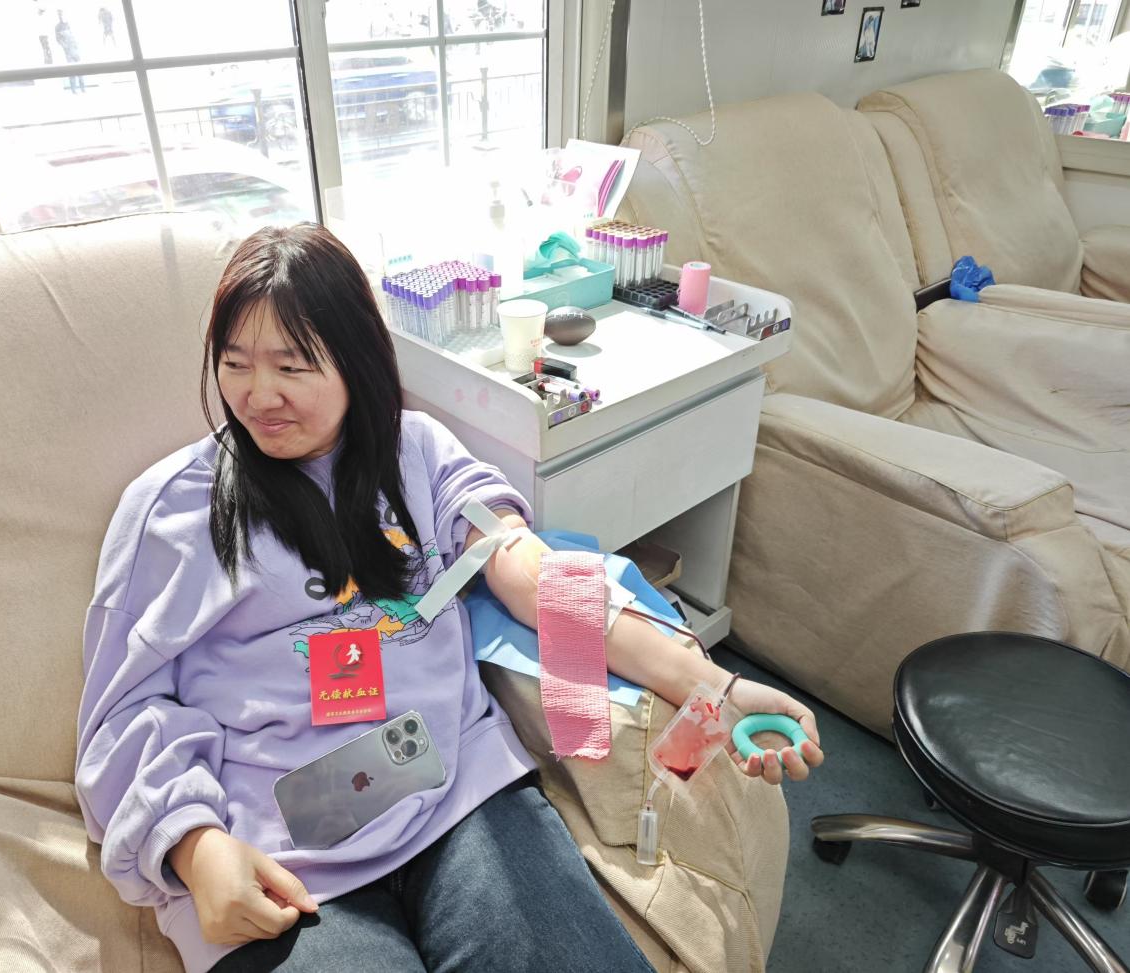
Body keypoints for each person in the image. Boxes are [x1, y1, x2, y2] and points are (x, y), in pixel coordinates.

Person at [74, 223, 824, 973]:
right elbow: (119, 712)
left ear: (356, 359)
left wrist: (711, 686)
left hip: (456, 795)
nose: (257, 395)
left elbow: (530, 576)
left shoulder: (419, 454)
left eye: (291, 366)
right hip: (273, 848)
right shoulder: (171, 512)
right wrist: (196, 846)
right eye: (234, 363)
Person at [54, 10, 86, 93]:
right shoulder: (57, 27)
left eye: (62, 14)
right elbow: (58, 39)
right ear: (58, 16)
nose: (61, 16)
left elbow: (73, 35)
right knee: (71, 70)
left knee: (80, 69)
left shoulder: (68, 24)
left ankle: (83, 89)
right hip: (68, 51)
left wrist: (76, 45)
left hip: (75, 49)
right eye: (59, 15)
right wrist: (65, 46)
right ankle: (74, 90)